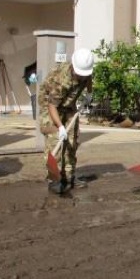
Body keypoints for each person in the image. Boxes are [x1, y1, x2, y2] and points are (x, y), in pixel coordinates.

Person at [38, 49, 95, 194]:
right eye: (80, 74)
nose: (82, 76)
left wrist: (89, 93)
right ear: (74, 67)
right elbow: (52, 105)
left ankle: (69, 177)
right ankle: (54, 179)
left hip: (68, 105)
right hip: (50, 106)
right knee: (55, 140)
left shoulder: (85, 71)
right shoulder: (62, 80)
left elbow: (89, 78)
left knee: (72, 140)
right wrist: (60, 127)